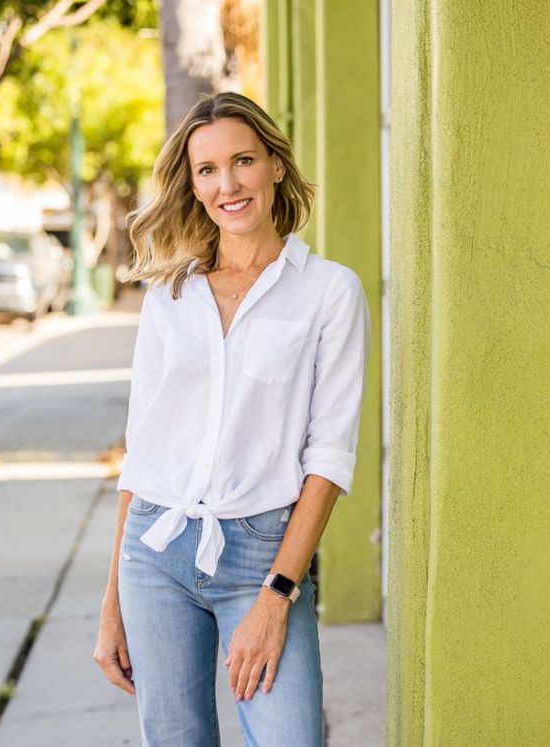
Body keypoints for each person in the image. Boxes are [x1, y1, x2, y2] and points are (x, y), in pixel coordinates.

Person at [92, 91, 369, 746]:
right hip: (155, 550)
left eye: (243, 160)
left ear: (275, 164)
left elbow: (328, 458)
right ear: (192, 184)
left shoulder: (329, 291)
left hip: (261, 554)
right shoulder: (171, 294)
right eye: (208, 170)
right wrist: (112, 605)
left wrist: (277, 594)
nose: (228, 184)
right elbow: (142, 452)